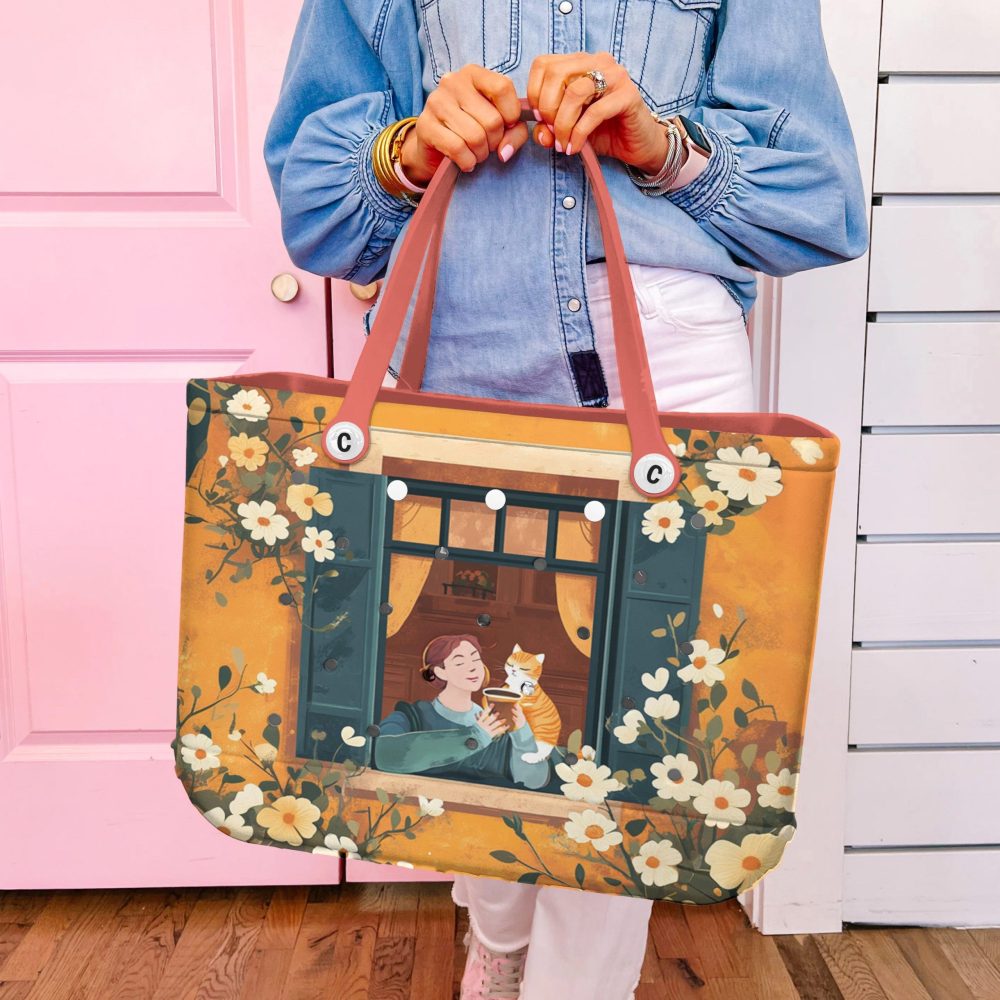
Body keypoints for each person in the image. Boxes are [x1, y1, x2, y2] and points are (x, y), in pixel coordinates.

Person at [264, 3, 868, 997]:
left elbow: (819, 198)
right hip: (453, 346)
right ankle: (497, 936)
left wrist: (664, 146)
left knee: (625, 751)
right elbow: (316, 210)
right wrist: (407, 151)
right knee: (465, 699)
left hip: (661, 364)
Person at [373, 634, 550, 791]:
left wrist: (522, 733)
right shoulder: (412, 716)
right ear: (440, 672)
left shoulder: (498, 726)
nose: (473, 668)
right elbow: (384, 755)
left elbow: (535, 781)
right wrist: (475, 737)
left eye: (476, 659)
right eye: (459, 662)